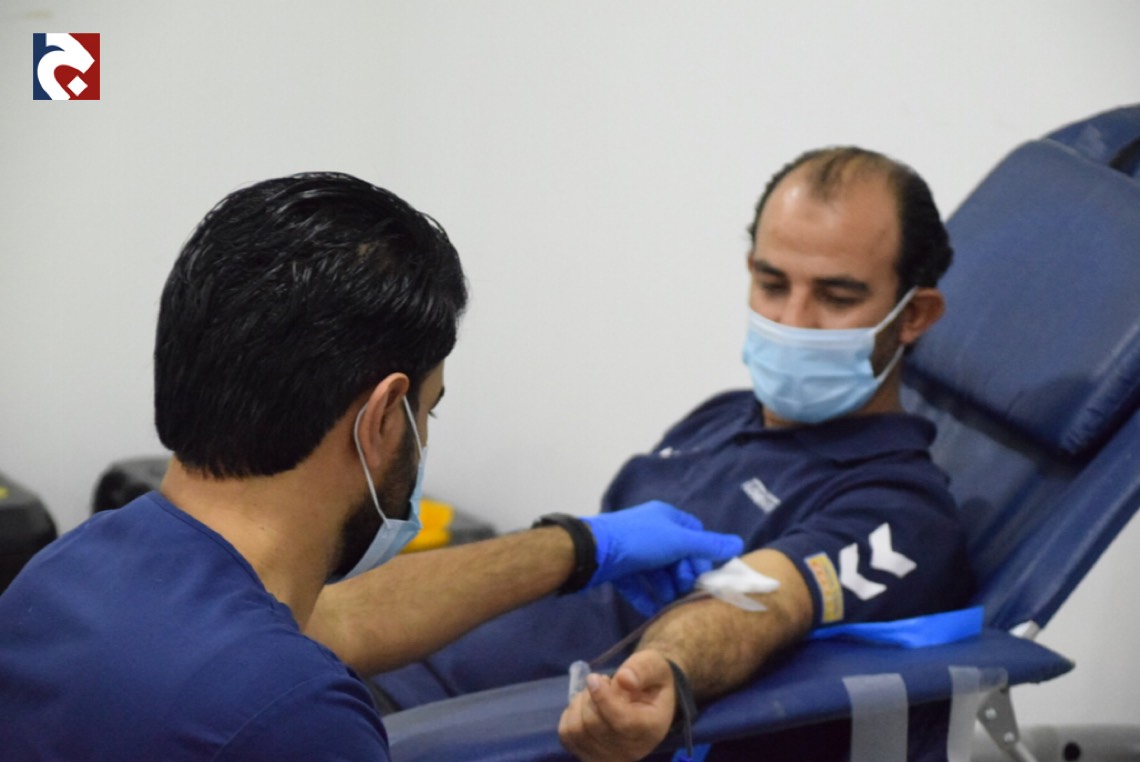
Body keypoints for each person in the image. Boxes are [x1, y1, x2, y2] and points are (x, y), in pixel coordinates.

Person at [0, 173, 744, 761]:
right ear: (385, 420)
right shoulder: (294, 713)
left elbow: (333, 620)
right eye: (429, 411)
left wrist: (579, 548)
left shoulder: (68, 571)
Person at [371, 147, 975, 761]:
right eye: (772, 285)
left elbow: (753, 605)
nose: (793, 320)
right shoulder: (721, 416)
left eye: (837, 296)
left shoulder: (899, 512)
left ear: (913, 315)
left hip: (445, 736)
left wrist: (664, 666)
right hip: (390, 674)